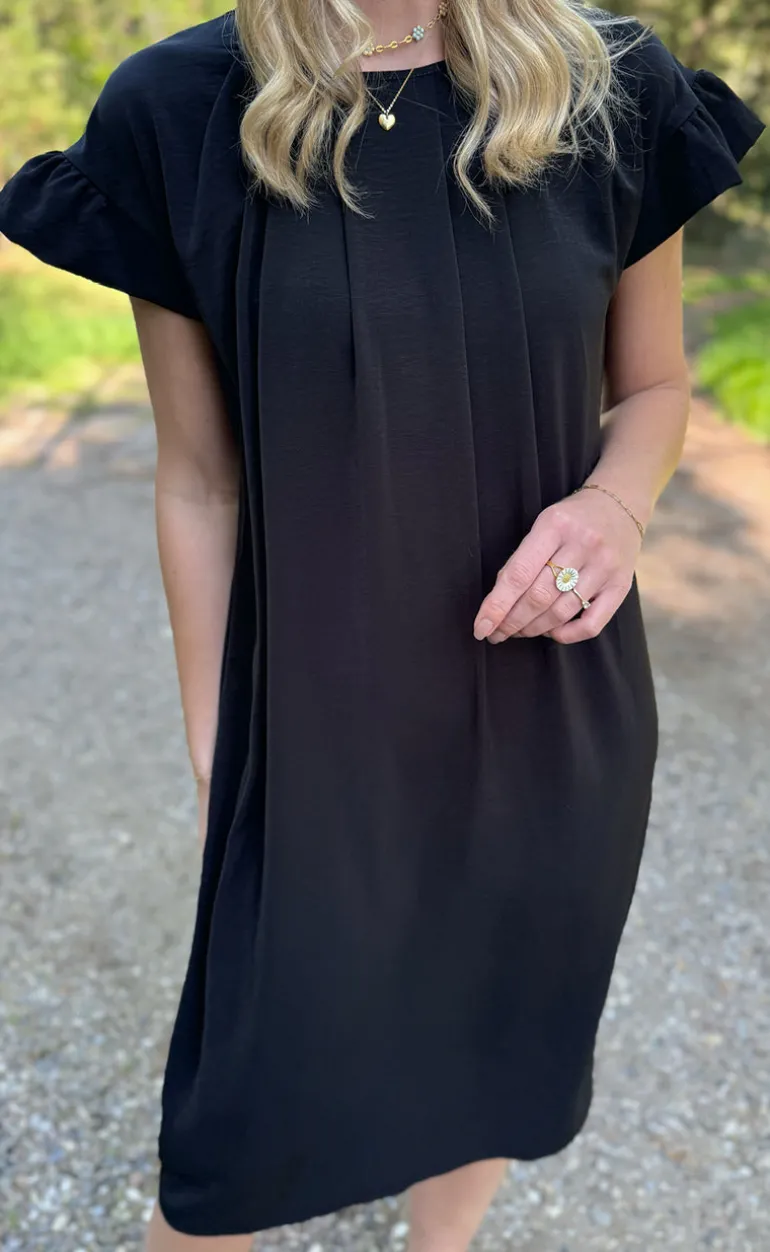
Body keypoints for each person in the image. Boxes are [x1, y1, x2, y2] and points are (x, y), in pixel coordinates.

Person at [0, 1, 764, 1249]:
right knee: (232, 1135)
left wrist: (613, 510)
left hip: (550, 716)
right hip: (313, 729)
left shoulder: (609, 84)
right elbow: (199, 481)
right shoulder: (176, 110)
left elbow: (654, 387)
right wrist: (217, 748)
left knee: (497, 1046)